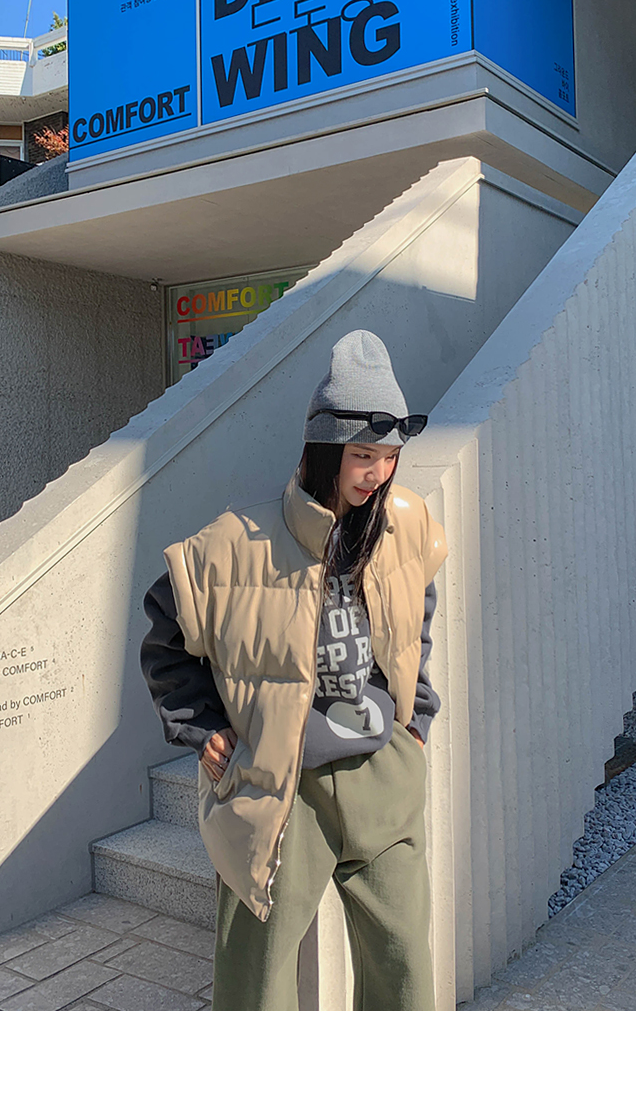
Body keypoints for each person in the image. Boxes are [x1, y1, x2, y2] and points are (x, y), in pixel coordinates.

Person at [140, 328, 447, 1009]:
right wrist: (202, 725)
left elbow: (416, 612)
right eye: (362, 455)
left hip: (383, 771)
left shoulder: (403, 524)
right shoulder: (239, 542)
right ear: (323, 448)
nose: (377, 473)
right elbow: (165, 630)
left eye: (389, 457)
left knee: (404, 972)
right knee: (257, 983)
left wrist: (416, 713)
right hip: (286, 788)